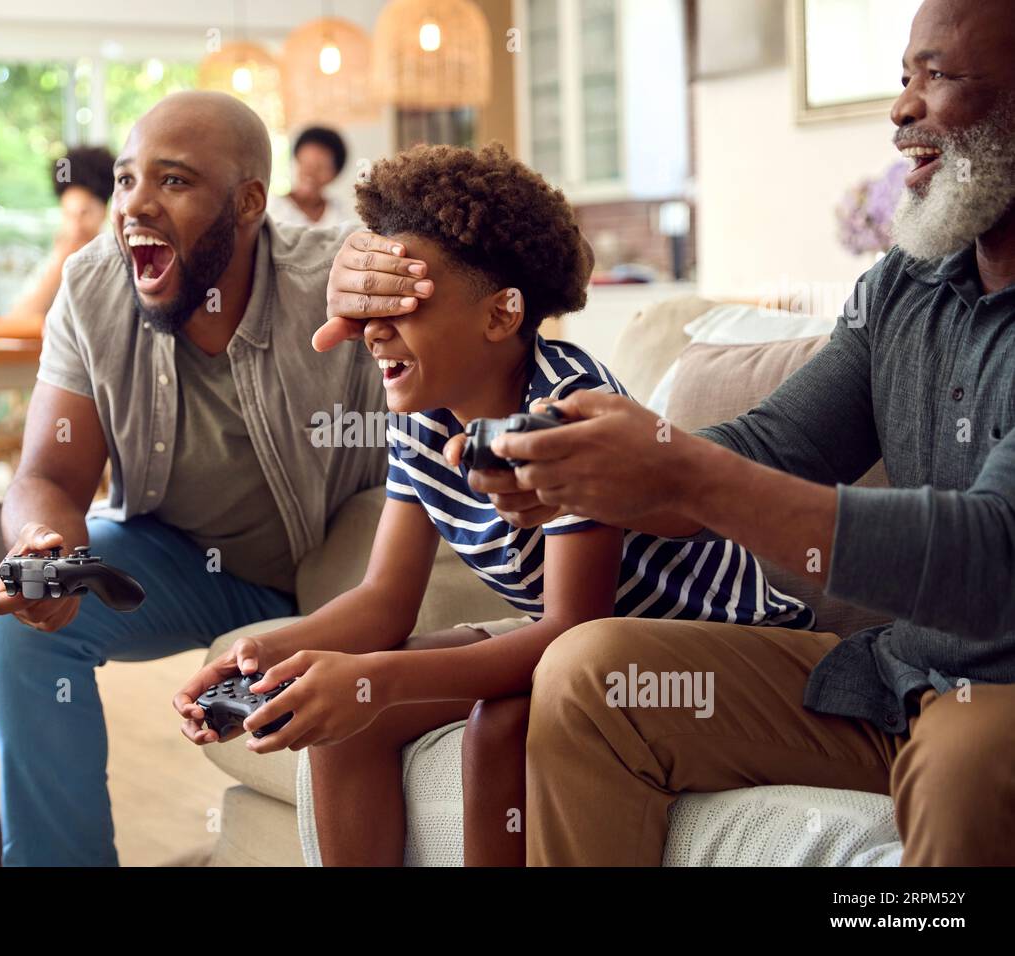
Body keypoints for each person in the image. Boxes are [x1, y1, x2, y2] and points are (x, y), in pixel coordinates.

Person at [315, 0, 1015, 866]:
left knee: (967, 765)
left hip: (994, 700)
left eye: (938, 76)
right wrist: (617, 464)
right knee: (586, 672)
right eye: (903, 77)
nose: (902, 108)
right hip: (889, 677)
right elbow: (773, 444)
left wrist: (683, 476)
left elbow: (991, 556)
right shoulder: (904, 288)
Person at [176, 143, 813, 867]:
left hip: (708, 641)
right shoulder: (421, 412)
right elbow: (385, 601)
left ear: (501, 313)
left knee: (500, 730)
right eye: (371, 305)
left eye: (405, 302)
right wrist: (267, 655)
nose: (375, 328)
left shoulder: (565, 412)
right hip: (578, 638)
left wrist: (367, 678)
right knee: (349, 723)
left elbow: (577, 629)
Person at [0, 91, 386, 866]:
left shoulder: (333, 279)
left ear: (249, 202)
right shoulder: (93, 288)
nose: (135, 204)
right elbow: (48, 474)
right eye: (127, 180)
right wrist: (47, 550)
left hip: (339, 568)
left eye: (172, 182)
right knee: (9, 617)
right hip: (181, 560)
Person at [0, 145, 115, 339]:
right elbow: (17, 320)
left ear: (104, 212)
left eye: (85, 213)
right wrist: (59, 265)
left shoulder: (117, 262)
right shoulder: (55, 260)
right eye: (68, 214)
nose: (76, 227)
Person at [266, 126, 351, 227]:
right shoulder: (271, 208)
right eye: (306, 164)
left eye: (320, 167)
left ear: (335, 174)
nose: (310, 173)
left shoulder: (339, 214)